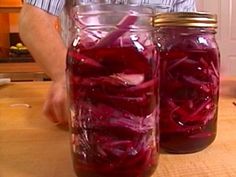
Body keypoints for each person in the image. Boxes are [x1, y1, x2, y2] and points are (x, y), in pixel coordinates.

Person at [19, 0, 196, 125]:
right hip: (87, 86)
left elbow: (186, 35)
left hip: (148, 96)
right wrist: (64, 76)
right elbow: (33, 17)